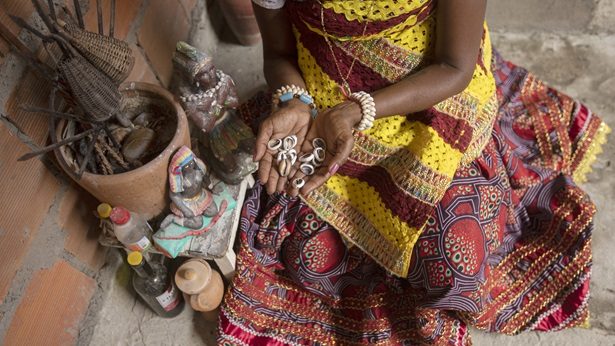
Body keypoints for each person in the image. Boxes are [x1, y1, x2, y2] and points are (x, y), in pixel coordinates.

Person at [219, 0, 610, 344]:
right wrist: (295, 101)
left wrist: (356, 112)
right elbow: (279, 55)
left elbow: (453, 66)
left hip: (431, 104)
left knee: (455, 267)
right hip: (326, 110)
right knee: (307, 257)